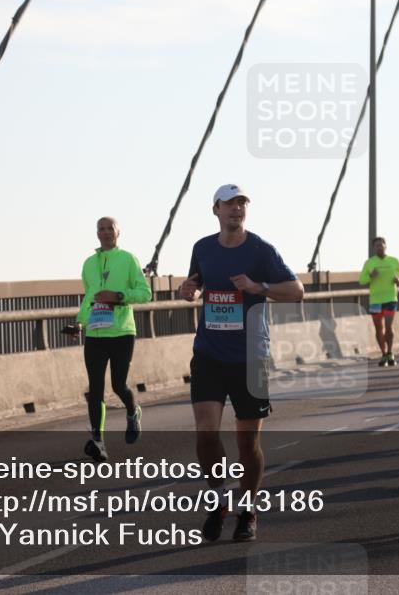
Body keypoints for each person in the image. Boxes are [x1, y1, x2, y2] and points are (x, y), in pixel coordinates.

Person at [179, 184, 304, 542]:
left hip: (251, 356)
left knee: (247, 443)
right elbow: (196, 284)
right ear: (215, 209)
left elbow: (296, 292)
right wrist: (188, 290)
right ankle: (218, 501)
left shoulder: (261, 250)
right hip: (209, 352)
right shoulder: (202, 248)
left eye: (242, 204)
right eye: (230, 204)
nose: (237, 209)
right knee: (206, 432)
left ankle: (248, 510)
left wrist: (257, 285)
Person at [74, 217, 153, 463]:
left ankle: (132, 411)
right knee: (95, 389)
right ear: (96, 233)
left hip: (121, 332)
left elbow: (145, 294)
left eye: (110, 228)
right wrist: (80, 322)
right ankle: (98, 441)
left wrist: (118, 296)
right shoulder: (88, 264)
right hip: (95, 334)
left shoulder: (128, 259)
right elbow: (89, 298)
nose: (106, 232)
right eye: (101, 229)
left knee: (119, 385)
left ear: (118, 232)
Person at [359, 237, 399, 367]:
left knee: (389, 327)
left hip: (391, 298)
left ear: (386, 246)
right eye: (377, 246)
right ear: (373, 248)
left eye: (381, 245)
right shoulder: (369, 263)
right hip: (375, 300)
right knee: (378, 329)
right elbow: (361, 280)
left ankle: (390, 352)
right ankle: (384, 353)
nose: (380, 247)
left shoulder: (393, 261)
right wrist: (370, 276)